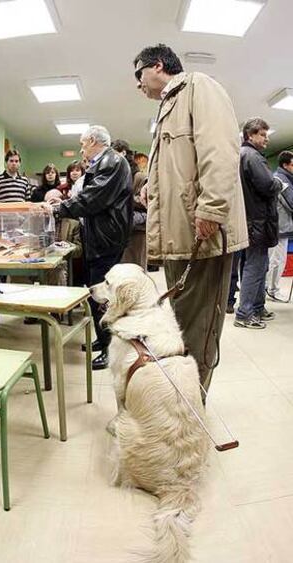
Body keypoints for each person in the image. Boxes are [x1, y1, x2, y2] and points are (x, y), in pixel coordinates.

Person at [134, 44, 248, 394]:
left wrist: (212, 208)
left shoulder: (198, 86)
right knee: (182, 324)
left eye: (138, 75)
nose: (137, 85)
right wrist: (152, 189)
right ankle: (179, 399)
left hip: (203, 236)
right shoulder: (167, 109)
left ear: (156, 66)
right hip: (180, 239)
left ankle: (189, 408)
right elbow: (181, 167)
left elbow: (220, 148)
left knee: (198, 329)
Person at [47, 125, 133, 370]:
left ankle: (110, 349)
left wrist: (58, 209)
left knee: (103, 295)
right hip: (100, 236)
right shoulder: (106, 162)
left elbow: (92, 199)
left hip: (106, 238)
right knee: (97, 292)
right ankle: (103, 339)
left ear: (93, 140)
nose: (81, 148)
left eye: (83, 143)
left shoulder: (111, 161)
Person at [234, 118, 281, 329]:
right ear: (250, 135)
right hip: (257, 221)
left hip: (249, 220)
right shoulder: (252, 156)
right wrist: (279, 183)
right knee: (256, 266)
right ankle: (244, 313)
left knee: (255, 265)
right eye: (262, 134)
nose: (266, 139)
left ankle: (257, 307)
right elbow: (269, 185)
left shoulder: (243, 155)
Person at [112, 139, 148, 269]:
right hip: (119, 230)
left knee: (136, 270)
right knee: (121, 272)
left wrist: (125, 199)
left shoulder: (139, 176)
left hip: (137, 231)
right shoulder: (115, 176)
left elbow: (147, 201)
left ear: (124, 153)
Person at [266, 151, 293, 302]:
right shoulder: (281, 179)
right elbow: (291, 203)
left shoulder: (287, 179)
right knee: (277, 260)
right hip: (279, 227)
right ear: (285, 165)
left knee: (275, 259)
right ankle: (273, 290)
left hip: (282, 226)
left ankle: (269, 288)